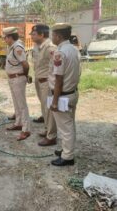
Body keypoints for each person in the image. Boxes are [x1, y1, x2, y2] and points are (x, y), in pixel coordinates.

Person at [49, 23, 80, 166]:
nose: (52, 37)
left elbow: (59, 79)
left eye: (53, 35)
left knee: (65, 127)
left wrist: (54, 101)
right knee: (69, 124)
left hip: (62, 95)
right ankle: (66, 150)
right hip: (72, 92)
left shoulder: (60, 52)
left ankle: (68, 157)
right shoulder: (74, 49)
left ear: (59, 36)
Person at [30, 24, 57, 146]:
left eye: (34, 34)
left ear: (42, 35)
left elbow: (56, 68)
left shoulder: (51, 48)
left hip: (46, 82)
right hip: (38, 80)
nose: (31, 36)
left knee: (48, 109)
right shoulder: (36, 46)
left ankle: (51, 136)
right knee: (43, 107)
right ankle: (47, 129)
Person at [3, 27, 31, 141]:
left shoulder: (17, 47)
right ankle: (18, 123)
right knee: (16, 103)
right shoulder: (12, 47)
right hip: (13, 78)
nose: (4, 40)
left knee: (22, 105)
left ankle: (26, 129)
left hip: (18, 78)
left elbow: (26, 64)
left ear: (10, 37)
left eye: (5, 37)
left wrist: (25, 75)